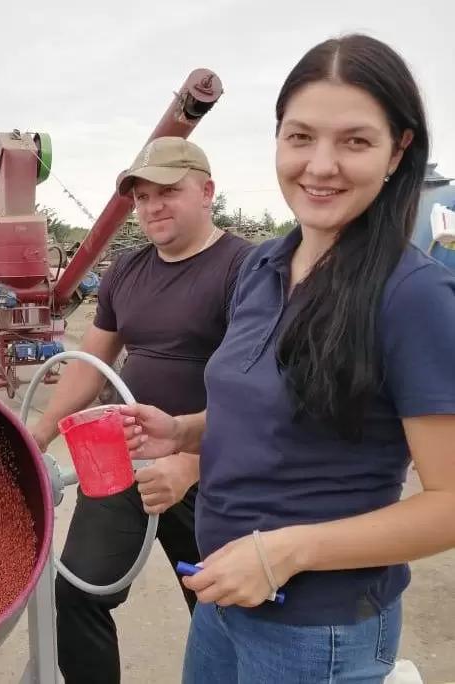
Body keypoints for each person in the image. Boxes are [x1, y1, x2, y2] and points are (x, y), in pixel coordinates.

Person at [121, 34, 455, 683]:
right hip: (225, 594)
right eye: (300, 137)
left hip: (316, 630)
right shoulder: (261, 267)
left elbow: (447, 501)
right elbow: (266, 413)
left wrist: (282, 553)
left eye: (353, 141)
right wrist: (185, 434)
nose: (320, 165)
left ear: (398, 151)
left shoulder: (411, 295)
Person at [30, 136, 252, 683]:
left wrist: (194, 462)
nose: (152, 206)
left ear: (207, 192)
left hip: (213, 470)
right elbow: (90, 361)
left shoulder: (247, 269)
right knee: (78, 592)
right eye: (143, 195)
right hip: (121, 455)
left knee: (223, 611)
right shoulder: (128, 270)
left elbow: (265, 392)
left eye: (168, 192)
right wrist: (38, 432)